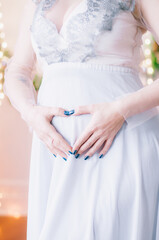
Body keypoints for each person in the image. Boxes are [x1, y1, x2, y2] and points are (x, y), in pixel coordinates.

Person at [3, 0, 159, 239]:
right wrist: (31, 113)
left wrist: (119, 110)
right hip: (54, 156)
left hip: (123, 144)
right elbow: (17, 70)